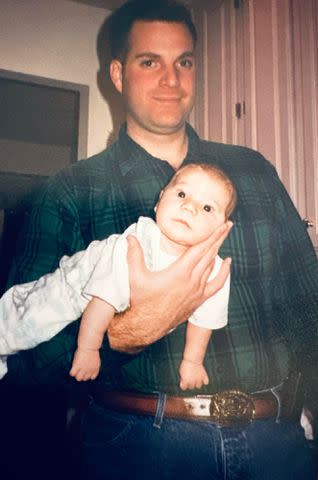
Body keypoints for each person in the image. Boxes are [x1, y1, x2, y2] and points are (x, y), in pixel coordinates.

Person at [3, 1, 318, 479]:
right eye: (150, 62)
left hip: (279, 443)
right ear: (117, 73)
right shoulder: (69, 192)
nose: (171, 80)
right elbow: (21, 359)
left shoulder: (254, 171)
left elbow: (308, 305)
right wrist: (122, 333)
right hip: (137, 448)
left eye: (184, 62)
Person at [0, 163, 236, 389]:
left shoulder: (214, 270)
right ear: (159, 200)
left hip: (93, 306)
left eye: (207, 208)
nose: (190, 207)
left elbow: (203, 321)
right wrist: (89, 349)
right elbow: (101, 301)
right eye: (182, 194)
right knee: (19, 326)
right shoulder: (136, 243)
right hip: (68, 288)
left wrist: (192, 362)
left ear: (222, 228)